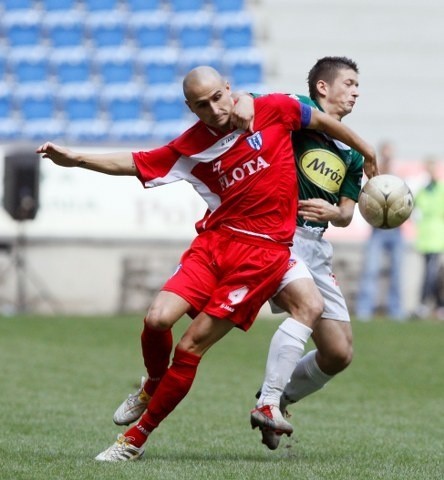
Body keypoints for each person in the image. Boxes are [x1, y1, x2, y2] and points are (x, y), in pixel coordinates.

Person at [37, 66, 376, 462]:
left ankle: (136, 439)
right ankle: (154, 387)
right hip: (215, 245)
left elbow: (318, 122)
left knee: (200, 343)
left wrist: (368, 153)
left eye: (219, 97)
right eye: (202, 104)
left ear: (228, 89)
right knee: (157, 319)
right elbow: (134, 162)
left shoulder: (275, 111)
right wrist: (76, 158)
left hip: (266, 253)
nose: (215, 109)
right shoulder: (193, 144)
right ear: (190, 108)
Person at [239, 56, 380, 450]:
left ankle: (279, 398)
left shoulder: (351, 153)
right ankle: (268, 401)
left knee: (338, 352)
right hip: (278, 236)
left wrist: (335, 211)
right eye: (349, 83)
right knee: (308, 307)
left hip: (317, 246)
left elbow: (348, 215)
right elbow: (250, 104)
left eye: (357, 85)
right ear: (323, 87)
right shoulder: (298, 112)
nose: (356, 91)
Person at [355, 141, 406, 321]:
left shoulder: (398, 179)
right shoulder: (375, 175)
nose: (388, 158)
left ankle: (396, 311)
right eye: (385, 154)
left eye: (390, 154)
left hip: (396, 231)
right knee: (370, 270)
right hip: (377, 230)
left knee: (397, 272)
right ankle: (364, 310)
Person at [412, 156, 444, 319]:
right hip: (425, 239)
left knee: (432, 274)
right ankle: (438, 305)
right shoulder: (422, 191)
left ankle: (425, 304)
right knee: (429, 273)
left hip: (438, 238)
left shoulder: (441, 189)